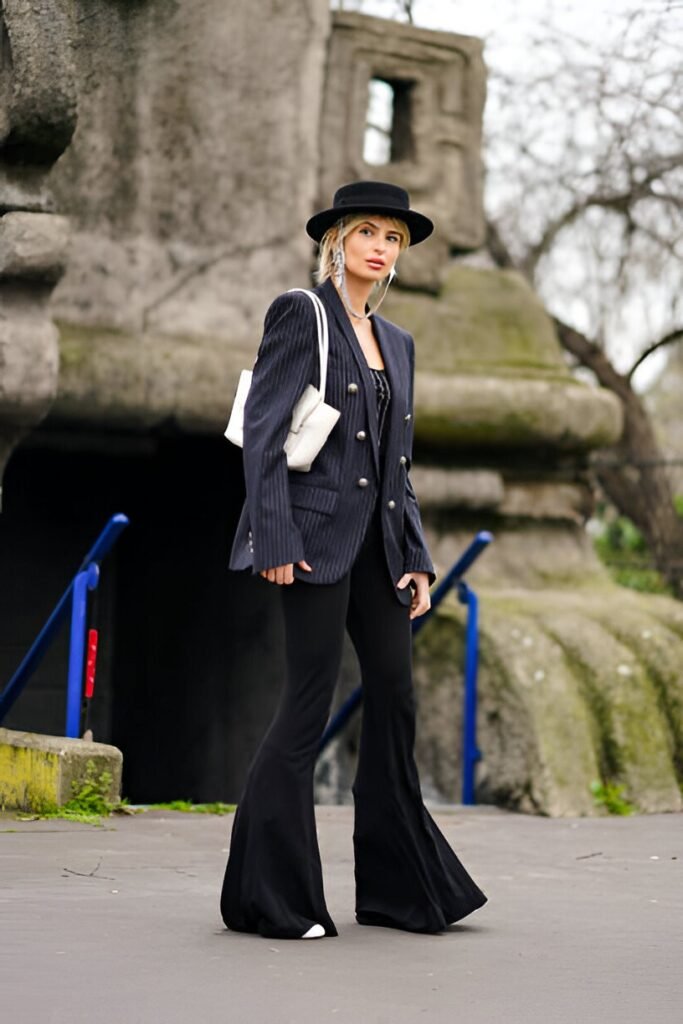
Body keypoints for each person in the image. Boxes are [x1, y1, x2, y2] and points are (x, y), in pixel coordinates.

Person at [220, 181, 488, 940]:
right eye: (366, 231)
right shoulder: (300, 314)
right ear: (336, 239)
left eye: (393, 237)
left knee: (395, 701)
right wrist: (272, 538)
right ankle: (268, 899)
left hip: (379, 552)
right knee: (305, 709)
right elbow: (267, 435)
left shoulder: (397, 342)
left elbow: (396, 466)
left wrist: (417, 559)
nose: (380, 245)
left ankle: (399, 892)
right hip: (306, 543)